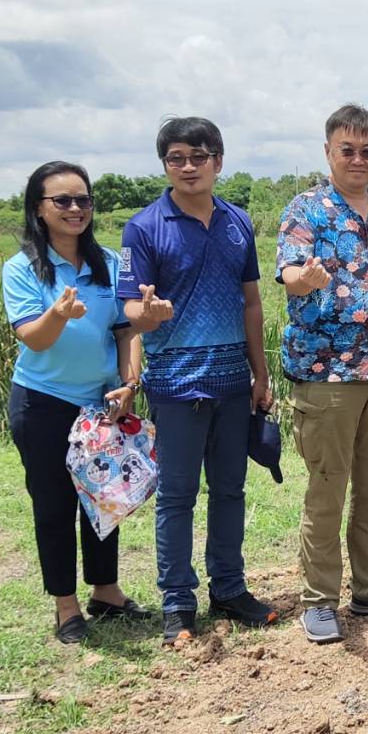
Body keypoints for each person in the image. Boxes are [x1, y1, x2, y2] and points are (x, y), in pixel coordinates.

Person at [118, 117, 278, 645]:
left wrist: (260, 372)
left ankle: (229, 589)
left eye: (199, 156)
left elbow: (251, 302)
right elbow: (131, 312)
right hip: (175, 384)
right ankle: (178, 602)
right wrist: (147, 314)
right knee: (177, 496)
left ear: (218, 161)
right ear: (165, 164)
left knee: (230, 490)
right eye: (176, 158)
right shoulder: (144, 227)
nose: (188, 167)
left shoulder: (238, 223)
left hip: (233, 382)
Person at [277, 105, 368, 645]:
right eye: (348, 150)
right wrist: (307, 278)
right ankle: (319, 599)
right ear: (329, 152)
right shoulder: (305, 210)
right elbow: (289, 273)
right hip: (327, 375)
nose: (358, 159)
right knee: (327, 488)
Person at [3, 161, 149, 644]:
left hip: (100, 404)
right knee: (54, 504)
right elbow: (34, 338)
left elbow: (126, 330)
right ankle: (65, 606)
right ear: (38, 209)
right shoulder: (22, 268)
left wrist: (129, 384)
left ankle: (106, 591)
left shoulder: (110, 261)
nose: (75, 209)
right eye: (62, 200)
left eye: (83, 199)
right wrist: (59, 313)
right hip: (42, 403)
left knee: (104, 498)